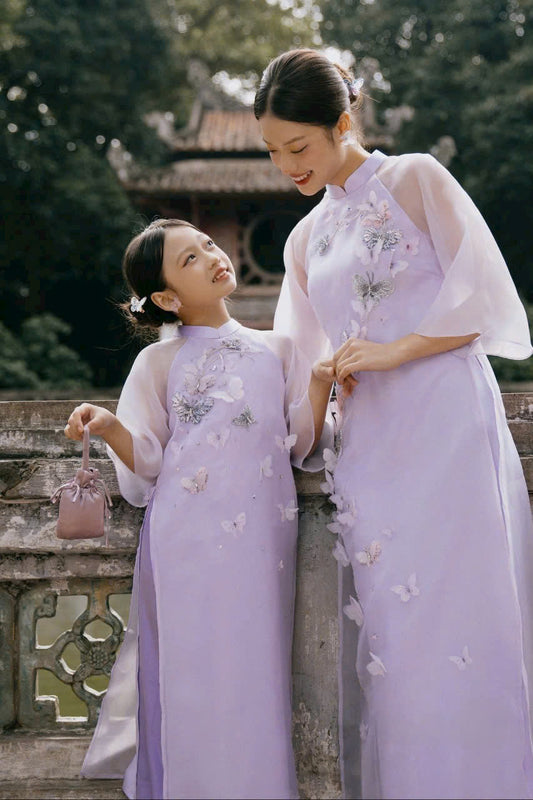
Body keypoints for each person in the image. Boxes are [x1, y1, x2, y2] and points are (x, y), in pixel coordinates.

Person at [255, 48, 533, 800]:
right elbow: (298, 372)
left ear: (342, 122)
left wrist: (388, 352)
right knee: (400, 649)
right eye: (274, 152)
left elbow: (483, 300)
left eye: (299, 147)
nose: (287, 165)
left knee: (468, 630)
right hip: (371, 448)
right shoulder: (302, 240)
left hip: (446, 426)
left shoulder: (414, 178)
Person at [65, 218, 333, 800]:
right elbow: (150, 468)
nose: (213, 257)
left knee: (255, 678)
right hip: (184, 539)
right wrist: (109, 426)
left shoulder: (278, 349)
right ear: (165, 297)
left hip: (263, 535)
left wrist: (319, 379)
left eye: (208, 245)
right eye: (190, 260)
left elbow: (300, 443)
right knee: (191, 680)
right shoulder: (157, 364)